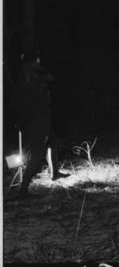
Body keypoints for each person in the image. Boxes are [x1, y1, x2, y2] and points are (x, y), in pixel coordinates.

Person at [14, 51, 67, 196]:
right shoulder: (31, 77)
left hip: (42, 118)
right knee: (37, 155)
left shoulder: (28, 76)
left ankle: (54, 173)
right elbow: (51, 77)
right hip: (36, 121)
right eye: (35, 61)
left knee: (52, 142)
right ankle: (23, 188)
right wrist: (39, 68)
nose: (37, 63)